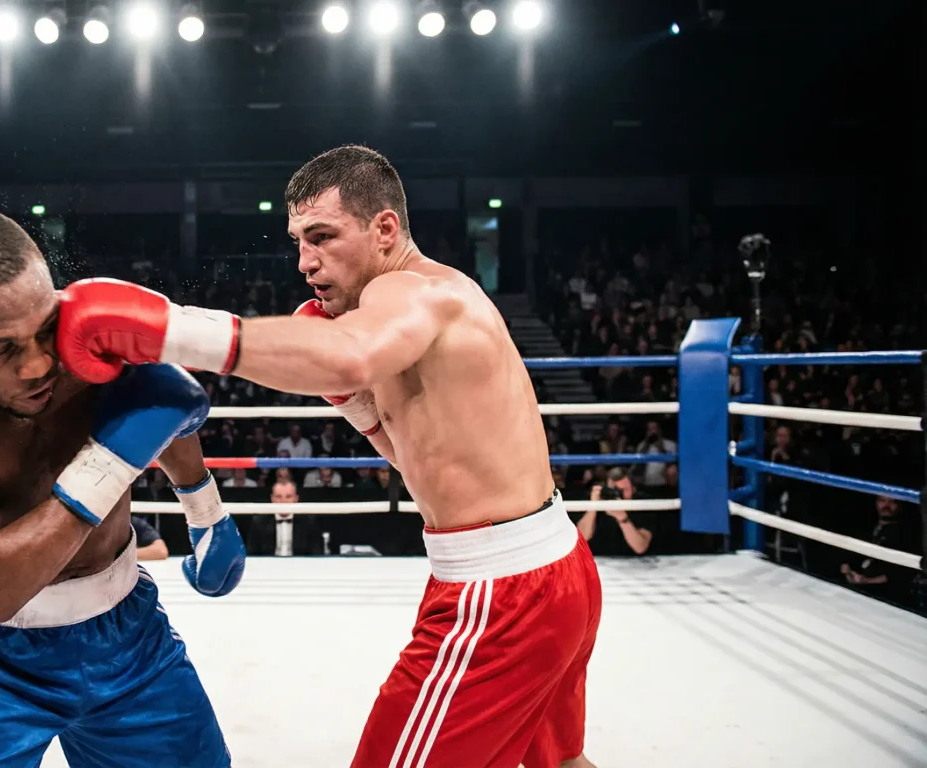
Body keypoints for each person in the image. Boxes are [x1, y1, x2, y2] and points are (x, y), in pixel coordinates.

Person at [55, 146, 601, 768]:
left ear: (385, 228)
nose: (304, 262)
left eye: (322, 237)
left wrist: (166, 328)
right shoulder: (414, 308)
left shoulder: (413, 292)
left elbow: (348, 355)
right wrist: (359, 408)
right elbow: (418, 457)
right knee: (556, 763)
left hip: (503, 593)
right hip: (548, 567)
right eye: (297, 241)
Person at [0, 209, 245, 768]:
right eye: (0, 349)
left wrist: (206, 512)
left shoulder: (90, 332)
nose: (38, 365)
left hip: (130, 636)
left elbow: (158, 401)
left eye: (43, 332)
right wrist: (110, 461)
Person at [574, 468, 656, 556]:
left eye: (624, 490)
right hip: (599, 561)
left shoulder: (642, 504)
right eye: (615, 490)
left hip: (632, 561)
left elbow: (640, 547)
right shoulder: (595, 499)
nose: (619, 494)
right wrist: (593, 507)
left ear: (634, 489)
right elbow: (581, 539)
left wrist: (623, 519)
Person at [247, 479, 325, 556]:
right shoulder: (259, 522)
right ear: (272, 499)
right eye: (278, 496)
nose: (283, 501)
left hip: (300, 566)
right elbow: (252, 555)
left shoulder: (308, 522)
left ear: (296, 499)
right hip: (268, 566)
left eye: (288, 496)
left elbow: (316, 554)